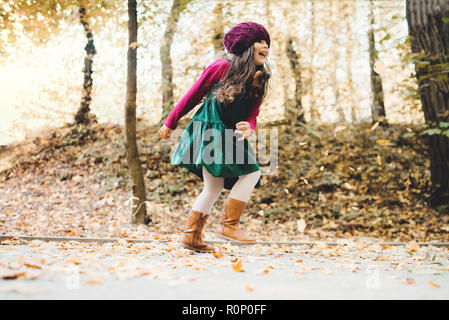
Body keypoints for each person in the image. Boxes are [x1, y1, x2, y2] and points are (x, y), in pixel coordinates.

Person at [159, 22, 272, 252]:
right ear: (246, 45)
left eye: (268, 43)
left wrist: (248, 126)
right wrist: (171, 121)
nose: (266, 47)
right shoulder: (221, 67)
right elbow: (192, 95)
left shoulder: (260, 76)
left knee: (214, 187)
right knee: (250, 173)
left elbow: (253, 113)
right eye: (260, 41)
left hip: (229, 132)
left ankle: (192, 237)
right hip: (210, 128)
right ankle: (228, 225)